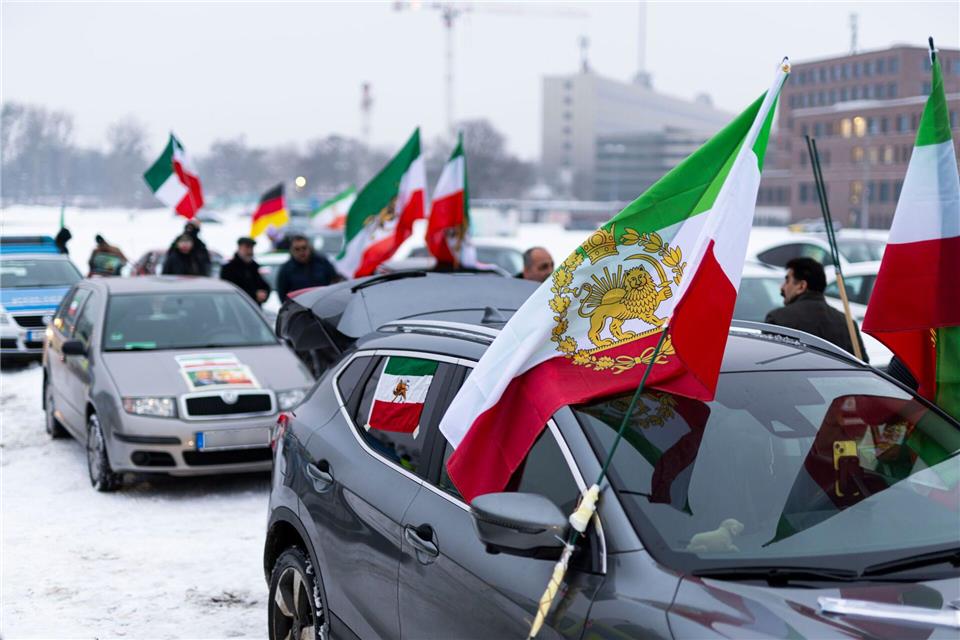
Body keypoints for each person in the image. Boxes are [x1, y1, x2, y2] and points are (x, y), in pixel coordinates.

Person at [765, 257, 867, 360]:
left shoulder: (777, 319)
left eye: (787, 281)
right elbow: (862, 365)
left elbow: (766, 362)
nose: (782, 287)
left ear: (801, 286)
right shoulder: (847, 323)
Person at [276, 234, 339, 301]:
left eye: (304, 248)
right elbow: (282, 295)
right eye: (297, 249)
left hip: (323, 304)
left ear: (309, 248)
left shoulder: (322, 263)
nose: (301, 252)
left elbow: (335, 282)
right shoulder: (286, 269)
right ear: (291, 250)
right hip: (299, 308)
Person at [220, 237, 271, 306]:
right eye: (247, 248)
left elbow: (263, 285)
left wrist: (264, 294)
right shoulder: (229, 268)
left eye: (251, 248)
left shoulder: (254, 266)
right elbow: (231, 289)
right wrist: (254, 295)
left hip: (253, 308)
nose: (250, 251)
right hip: (235, 307)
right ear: (239, 248)